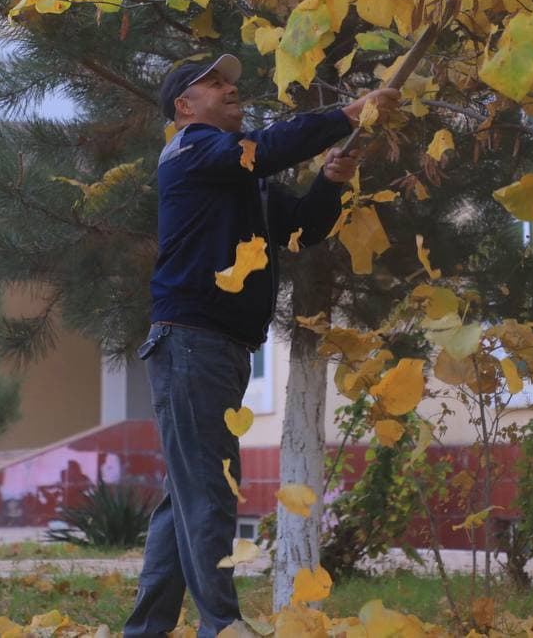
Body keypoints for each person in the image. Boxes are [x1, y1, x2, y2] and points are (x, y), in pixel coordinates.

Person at [122, 54, 399, 637]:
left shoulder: (236, 177)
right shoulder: (191, 151)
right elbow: (264, 147)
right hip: (191, 343)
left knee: (188, 496)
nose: (230, 90)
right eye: (214, 84)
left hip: (216, 347)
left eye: (230, 82)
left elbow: (300, 228)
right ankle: (222, 627)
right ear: (184, 107)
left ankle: (148, 631)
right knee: (210, 494)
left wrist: (327, 182)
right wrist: (344, 114)